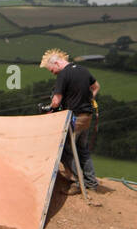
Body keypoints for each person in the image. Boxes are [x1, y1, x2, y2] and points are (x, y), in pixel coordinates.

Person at [40, 48, 101, 192]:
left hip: (74, 118)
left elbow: (56, 100)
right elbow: (96, 87)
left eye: (51, 70)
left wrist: (48, 107)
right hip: (87, 115)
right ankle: (91, 182)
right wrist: (87, 99)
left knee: (64, 149)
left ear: (56, 63)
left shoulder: (63, 75)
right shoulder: (83, 70)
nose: (53, 72)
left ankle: (79, 182)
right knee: (82, 149)